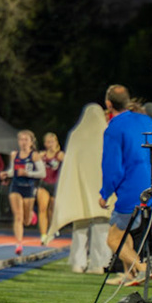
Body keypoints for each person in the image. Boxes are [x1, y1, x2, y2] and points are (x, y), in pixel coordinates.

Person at [102, 84, 152, 282]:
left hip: (131, 189)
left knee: (113, 239)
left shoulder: (115, 127)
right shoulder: (146, 120)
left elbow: (112, 167)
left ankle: (142, 268)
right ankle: (130, 275)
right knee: (123, 232)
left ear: (108, 104)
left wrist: (104, 193)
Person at [53, 104, 109, 271]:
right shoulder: (107, 133)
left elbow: (70, 162)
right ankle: (99, 264)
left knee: (80, 224)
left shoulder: (76, 134)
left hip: (80, 187)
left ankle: (78, 262)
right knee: (101, 225)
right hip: (101, 187)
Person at [8, 129, 44, 255]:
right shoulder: (14, 155)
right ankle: (19, 244)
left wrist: (27, 173)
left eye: (26, 140)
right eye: (21, 139)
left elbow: (42, 173)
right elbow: (12, 171)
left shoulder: (34, 156)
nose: (23, 142)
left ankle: (31, 215)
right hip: (16, 187)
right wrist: (5, 174)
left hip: (28, 188)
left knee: (26, 221)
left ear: (31, 142)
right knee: (18, 216)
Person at [36, 129, 64, 239]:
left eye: (52, 142)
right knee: (42, 209)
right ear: (45, 144)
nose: (51, 144)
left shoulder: (60, 155)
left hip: (55, 185)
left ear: (56, 142)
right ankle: (43, 234)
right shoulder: (42, 155)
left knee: (52, 209)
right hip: (44, 184)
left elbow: (69, 165)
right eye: (48, 142)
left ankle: (53, 228)